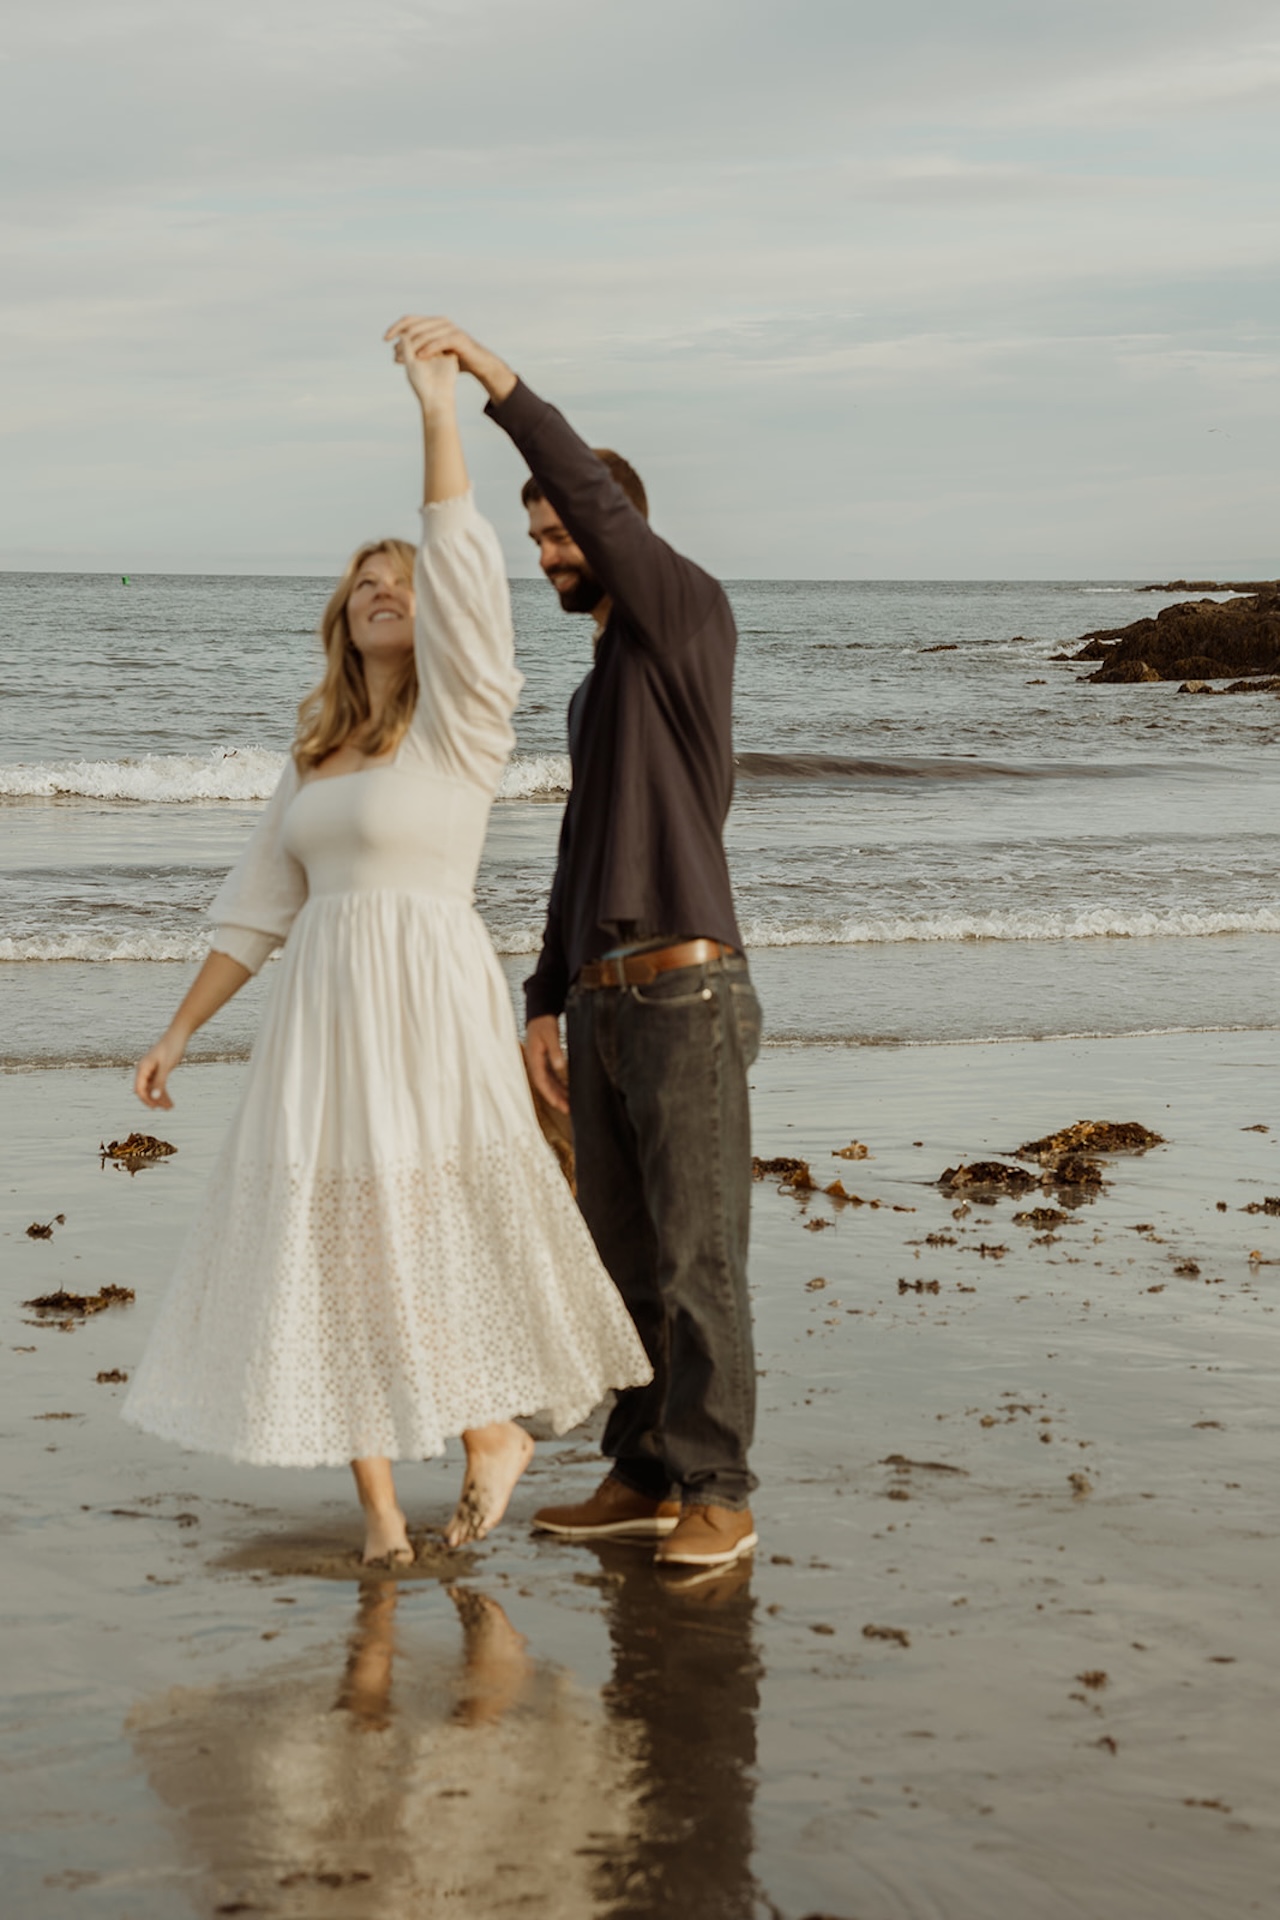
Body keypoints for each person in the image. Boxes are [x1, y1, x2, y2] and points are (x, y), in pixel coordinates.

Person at [122, 319, 650, 1565]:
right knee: (331, 1236)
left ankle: (487, 1438)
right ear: (336, 617)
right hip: (323, 1013)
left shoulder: (462, 728)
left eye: (400, 583)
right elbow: (257, 909)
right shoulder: (312, 764)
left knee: (434, 1223)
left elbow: (463, 564)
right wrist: (179, 1031)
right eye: (364, 581)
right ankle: (376, 1516)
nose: (383, 589)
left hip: (426, 998)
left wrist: (434, 412)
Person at [392, 320, 761, 1571]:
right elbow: (574, 861)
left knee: (697, 1249)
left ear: (615, 536)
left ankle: (718, 1486)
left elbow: (600, 504)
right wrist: (542, 1001)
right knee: (619, 1259)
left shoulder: (681, 617)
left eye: (561, 534)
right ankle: (645, 1466)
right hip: (602, 1004)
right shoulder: (598, 685)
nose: (548, 552)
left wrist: (496, 385)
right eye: (539, 538)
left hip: (684, 990)